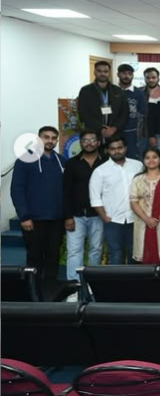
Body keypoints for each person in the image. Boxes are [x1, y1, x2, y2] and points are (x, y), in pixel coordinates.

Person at [11, 126, 66, 284]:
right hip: (33, 220)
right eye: (46, 137)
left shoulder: (61, 161)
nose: (50, 141)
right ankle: (33, 290)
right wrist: (24, 216)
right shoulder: (24, 160)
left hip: (56, 219)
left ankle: (51, 288)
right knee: (34, 257)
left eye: (53, 138)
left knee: (53, 256)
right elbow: (17, 189)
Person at [90, 136, 143, 265]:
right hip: (113, 220)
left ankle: (135, 279)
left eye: (120, 148)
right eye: (113, 149)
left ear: (125, 148)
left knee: (135, 254)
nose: (117, 151)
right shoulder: (100, 171)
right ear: (107, 150)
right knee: (116, 254)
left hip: (136, 218)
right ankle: (117, 279)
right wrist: (104, 217)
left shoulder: (138, 165)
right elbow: (95, 197)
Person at [63, 130, 105, 281]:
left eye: (92, 139)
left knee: (96, 250)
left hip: (99, 215)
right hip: (76, 215)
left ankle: (93, 283)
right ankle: (74, 286)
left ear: (98, 142)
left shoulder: (106, 162)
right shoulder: (72, 163)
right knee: (74, 252)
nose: (89, 143)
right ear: (80, 143)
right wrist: (68, 216)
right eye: (85, 140)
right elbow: (66, 191)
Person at [129, 147, 160, 264]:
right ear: (143, 160)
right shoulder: (137, 179)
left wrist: (156, 219)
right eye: (147, 158)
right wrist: (147, 219)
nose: (151, 160)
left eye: (154, 157)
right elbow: (133, 201)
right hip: (143, 221)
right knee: (143, 252)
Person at [78, 60, 128, 142]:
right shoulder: (85, 91)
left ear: (109, 73)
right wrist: (100, 129)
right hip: (93, 133)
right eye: (99, 71)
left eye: (105, 71)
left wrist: (113, 128)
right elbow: (83, 113)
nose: (102, 74)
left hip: (114, 134)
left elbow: (124, 113)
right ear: (94, 72)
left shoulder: (118, 91)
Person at [117, 63, 147, 159]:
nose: (127, 76)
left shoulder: (139, 93)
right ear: (118, 74)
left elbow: (143, 112)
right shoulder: (113, 91)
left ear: (133, 76)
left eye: (129, 74)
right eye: (124, 73)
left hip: (133, 133)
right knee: (116, 157)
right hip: (115, 132)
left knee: (132, 158)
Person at [137, 67, 160, 153]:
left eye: (153, 77)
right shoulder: (138, 92)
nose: (151, 80)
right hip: (142, 132)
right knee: (141, 157)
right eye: (148, 77)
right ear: (144, 79)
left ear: (158, 78)